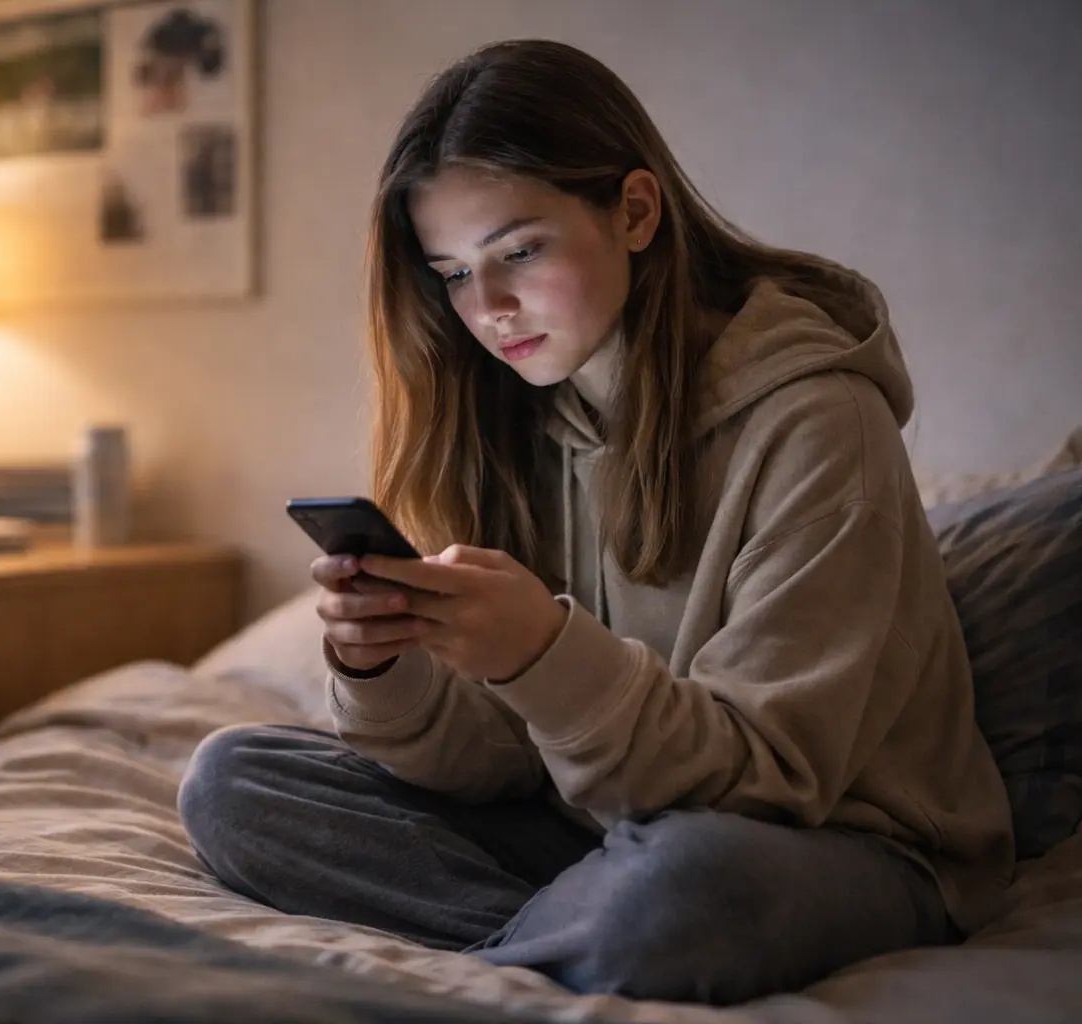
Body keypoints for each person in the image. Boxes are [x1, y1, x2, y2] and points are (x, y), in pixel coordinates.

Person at [177, 39, 1015, 1006]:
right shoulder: (518, 415)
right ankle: (569, 933)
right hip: (601, 829)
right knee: (236, 780)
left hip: (830, 840)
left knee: (684, 889)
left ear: (635, 211)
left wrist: (541, 652)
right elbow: (498, 758)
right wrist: (384, 671)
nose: (486, 308)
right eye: (451, 274)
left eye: (519, 251)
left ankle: (553, 939)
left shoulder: (821, 421)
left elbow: (774, 778)